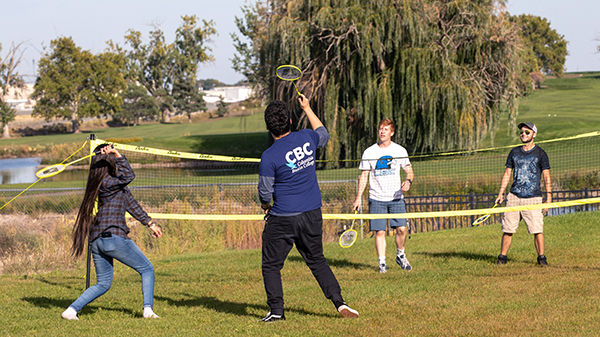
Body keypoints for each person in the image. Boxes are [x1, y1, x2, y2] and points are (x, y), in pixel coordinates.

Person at [258, 94, 359, 322]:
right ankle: (339, 303)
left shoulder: (269, 156)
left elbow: (265, 192)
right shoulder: (306, 137)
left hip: (283, 217)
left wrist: (266, 206)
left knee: (271, 265)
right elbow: (323, 134)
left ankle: (276, 311)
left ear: (267, 127)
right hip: (312, 213)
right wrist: (308, 108)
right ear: (291, 122)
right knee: (317, 260)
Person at [61, 144, 163, 320]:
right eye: (113, 157)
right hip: (112, 238)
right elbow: (130, 175)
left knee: (103, 283)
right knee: (147, 269)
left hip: (97, 241)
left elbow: (131, 204)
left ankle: (71, 311)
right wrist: (117, 154)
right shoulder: (108, 182)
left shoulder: (112, 183)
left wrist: (150, 223)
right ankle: (148, 311)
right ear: (110, 161)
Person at [352, 119, 414, 273]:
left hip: (396, 198)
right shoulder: (370, 152)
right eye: (380, 129)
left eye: (385, 129)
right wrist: (358, 197)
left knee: (401, 229)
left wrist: (408, 181)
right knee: (379, 232)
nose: (382, 131)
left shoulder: (399, 150)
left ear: (392, 132)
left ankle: (400, 255)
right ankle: (382, 264)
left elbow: (409, 170)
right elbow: (364, 175)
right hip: (376, 198)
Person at [495, 122, 551, 266]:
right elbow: (507, 173)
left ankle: (541, 259)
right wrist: (501, 193)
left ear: (534, 135)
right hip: (514, 197)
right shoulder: (514, 152)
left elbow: (546, 177)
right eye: (521, 131)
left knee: (537, 230)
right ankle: (502, 258)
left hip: (533, 198)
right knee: (508, 229)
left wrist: (549, 197)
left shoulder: (541, 154)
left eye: (527, 132)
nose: (523, 134)